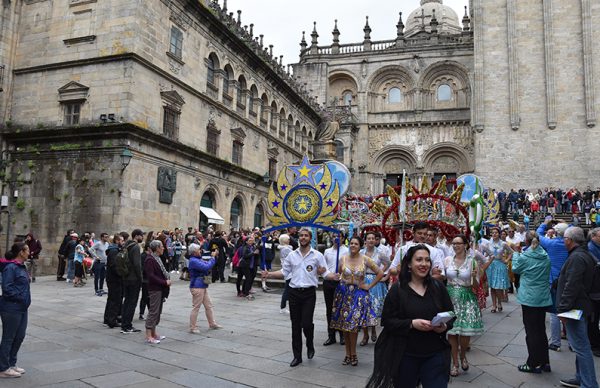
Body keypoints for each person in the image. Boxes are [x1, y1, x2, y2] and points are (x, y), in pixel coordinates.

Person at [366, 245, 454, 388]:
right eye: (419, 260)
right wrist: (411, 324)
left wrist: (444, 326)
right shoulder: (398, 289)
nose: (424, 264)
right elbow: (387, 321)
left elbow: (451, 314)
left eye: (427, 260)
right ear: (409, 264)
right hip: (405, 355)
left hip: (435, 353)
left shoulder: (438, 287)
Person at [261, 228, 340, 367]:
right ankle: (297, 356)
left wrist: (332, 276)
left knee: (307, 324)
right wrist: (270, 274)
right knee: (295, 325)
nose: (303, 238)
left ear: (310, 238)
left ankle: (310, 343)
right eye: (301, 236)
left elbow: (325, 271)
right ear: (298, 238)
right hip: (294, 293)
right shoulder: (292, 255)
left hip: (309, 293)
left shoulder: (317, 255)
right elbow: (284, 272)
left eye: (306, 236)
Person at [330, 236, 384, 366]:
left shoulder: (365, 259)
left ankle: (353, 354)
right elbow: (338, 273)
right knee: (344, 326)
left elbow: (380, 273)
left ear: (361, 246)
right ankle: (347, 354)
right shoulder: (342, 258)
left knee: (353, 326)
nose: (353, 245)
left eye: (356, 244)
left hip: (358, 296)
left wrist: (369, 286)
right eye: (351, 243)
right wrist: (338, 278)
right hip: (343, 294)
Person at [557, 226, 598, 388]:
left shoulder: (577, 257)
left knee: (582, 347)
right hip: (580, 305)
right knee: (579, 345)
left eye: (565, 239)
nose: (563, 241)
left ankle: (589, 384)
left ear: (570, 240)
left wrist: (562, 309)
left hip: (575, 307)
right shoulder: (582, 254)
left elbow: (571, 285)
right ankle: (580, 377)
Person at [511, 231, 552, 373]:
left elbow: (515, 268)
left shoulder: (526, 256)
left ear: (527, 242)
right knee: (541, 329)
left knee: (532, 331)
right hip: (542, 296)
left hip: (529, 297)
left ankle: (533, 363)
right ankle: (545, 361)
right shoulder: (545, 255)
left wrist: (516, 253)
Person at [444, 234, 485, 377]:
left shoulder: (472, 262)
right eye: (454, 243)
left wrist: (474, 276)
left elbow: (475, 285)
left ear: (466, 245)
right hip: (449, 298)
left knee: (465, 333)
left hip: (467, 298)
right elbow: (444, 279)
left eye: (459, 243)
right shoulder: (448, 260)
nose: (455, 246)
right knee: (452, 332)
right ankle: (455, 363)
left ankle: (462, 355)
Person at [537, 220, 570, 352]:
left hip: (554, 281)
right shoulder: (572, 243)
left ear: (556, 232)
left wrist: (544, 223)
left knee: (555, 313)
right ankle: (572, 342)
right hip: (569, 280)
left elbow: (538, 234)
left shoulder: (551, 243)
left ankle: (556, 342)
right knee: (569, 311)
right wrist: (565, 223)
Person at [0, 243, 31, 378]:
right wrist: (20, 297)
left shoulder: (22, 267)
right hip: (11, 307)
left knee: (20, 336)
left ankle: (12, 363)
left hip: (22, 307)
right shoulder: (11, 268)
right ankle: (3, 367)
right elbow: (7, 288)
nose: (29, 252)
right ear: (21, 252)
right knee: (9, 337)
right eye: (27, 250)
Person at [359, 231, 390, 346]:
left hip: (375, 281)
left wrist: (384, 276)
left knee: (372, 308)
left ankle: (373, 330)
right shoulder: (360, 253)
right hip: (362, 281)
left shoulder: (380, 253)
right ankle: (365, 334)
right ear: (365, 240)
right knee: (363, 308)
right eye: (369, 238)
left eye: (373, 238)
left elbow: (388, 263)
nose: (371, 240)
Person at [188, 243, 222, 333]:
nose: (200, 251)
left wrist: (212, 258)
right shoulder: (193, 261)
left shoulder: (197, 259)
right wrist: (213, 258)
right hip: (197, 286)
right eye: (199, 250)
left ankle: (212, 323)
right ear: (194, 252)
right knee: (196, 307)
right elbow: (206, 267)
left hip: (202, 285)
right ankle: (193, 327)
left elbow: (207, 265)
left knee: (208, 305)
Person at [143, 240, 171, 344]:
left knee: (158, 312)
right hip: (155, 289)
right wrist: (164, 282)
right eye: (162, 246)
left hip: (160, 288)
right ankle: (149, 335)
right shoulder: (150, 259)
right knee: (153, 311)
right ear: (157, 248)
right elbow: (151, 276)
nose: (164, 248)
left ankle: (154, 333)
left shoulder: (157, 258)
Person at [322, 233, 348, 345]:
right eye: (334, 236)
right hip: (328, 282)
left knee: (341, 308)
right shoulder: (327, 251)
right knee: (329, 309)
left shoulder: (346, 251)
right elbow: (324, 267)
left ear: (343, 238)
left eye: (339, 237)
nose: (336, 239)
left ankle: (342, 334)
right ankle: (331, 335)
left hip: (341, 282)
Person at [480, 227, 512, 313]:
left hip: (500, 265)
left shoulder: (503, 244)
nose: (494, 234)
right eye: (492, 233)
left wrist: (506, 260)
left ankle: (499, 302)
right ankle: (494, 305)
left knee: (498, 286)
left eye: (496, 232)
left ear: (499, 234)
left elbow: (511, 252)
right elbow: (485, 254)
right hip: (491, 266)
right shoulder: (488, 244)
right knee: (492, 286)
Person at [120, 229, 144, 334]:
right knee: (132, 302)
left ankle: (124, 324)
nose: (142, 238)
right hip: (134, 278)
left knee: (127, 301)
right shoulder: (135, 247)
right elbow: (137, 264)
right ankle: (127, 326)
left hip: (126, 277)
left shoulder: (127, 245)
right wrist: (141, 278)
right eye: (141, 236)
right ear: (137, 236)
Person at [104, 234, 123, 328]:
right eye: (121, 241)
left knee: (111, 299)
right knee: (115, 299)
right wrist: (121, 274)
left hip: (112, 278)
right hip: (114, 279)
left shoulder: (113, 250)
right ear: (117, 241)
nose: (122, 243)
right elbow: (114, 266)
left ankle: (108, 318)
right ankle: (112, 320)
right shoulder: (114, 251)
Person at [588, 228, 600, 356]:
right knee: (593, 319)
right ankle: (595, 344)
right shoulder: (591, 249)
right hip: (594, 291)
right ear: (593, 237)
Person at [139, 232, 154, 321]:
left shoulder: (148, 255)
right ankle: (142, 313)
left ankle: (149, 312)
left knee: (148, 297)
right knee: (145, 297)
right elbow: (143, 268)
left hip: (148, 279)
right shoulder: (144, 256)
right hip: (145, 279)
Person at [279, 234, 294, 314]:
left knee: (288, 290)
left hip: (289, 271)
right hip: (289, 272)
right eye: (288, 239)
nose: (289, 240)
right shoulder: (286, 249)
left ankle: (284, 306)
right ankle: (283, 307)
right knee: (287, 290)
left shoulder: (286, 248)